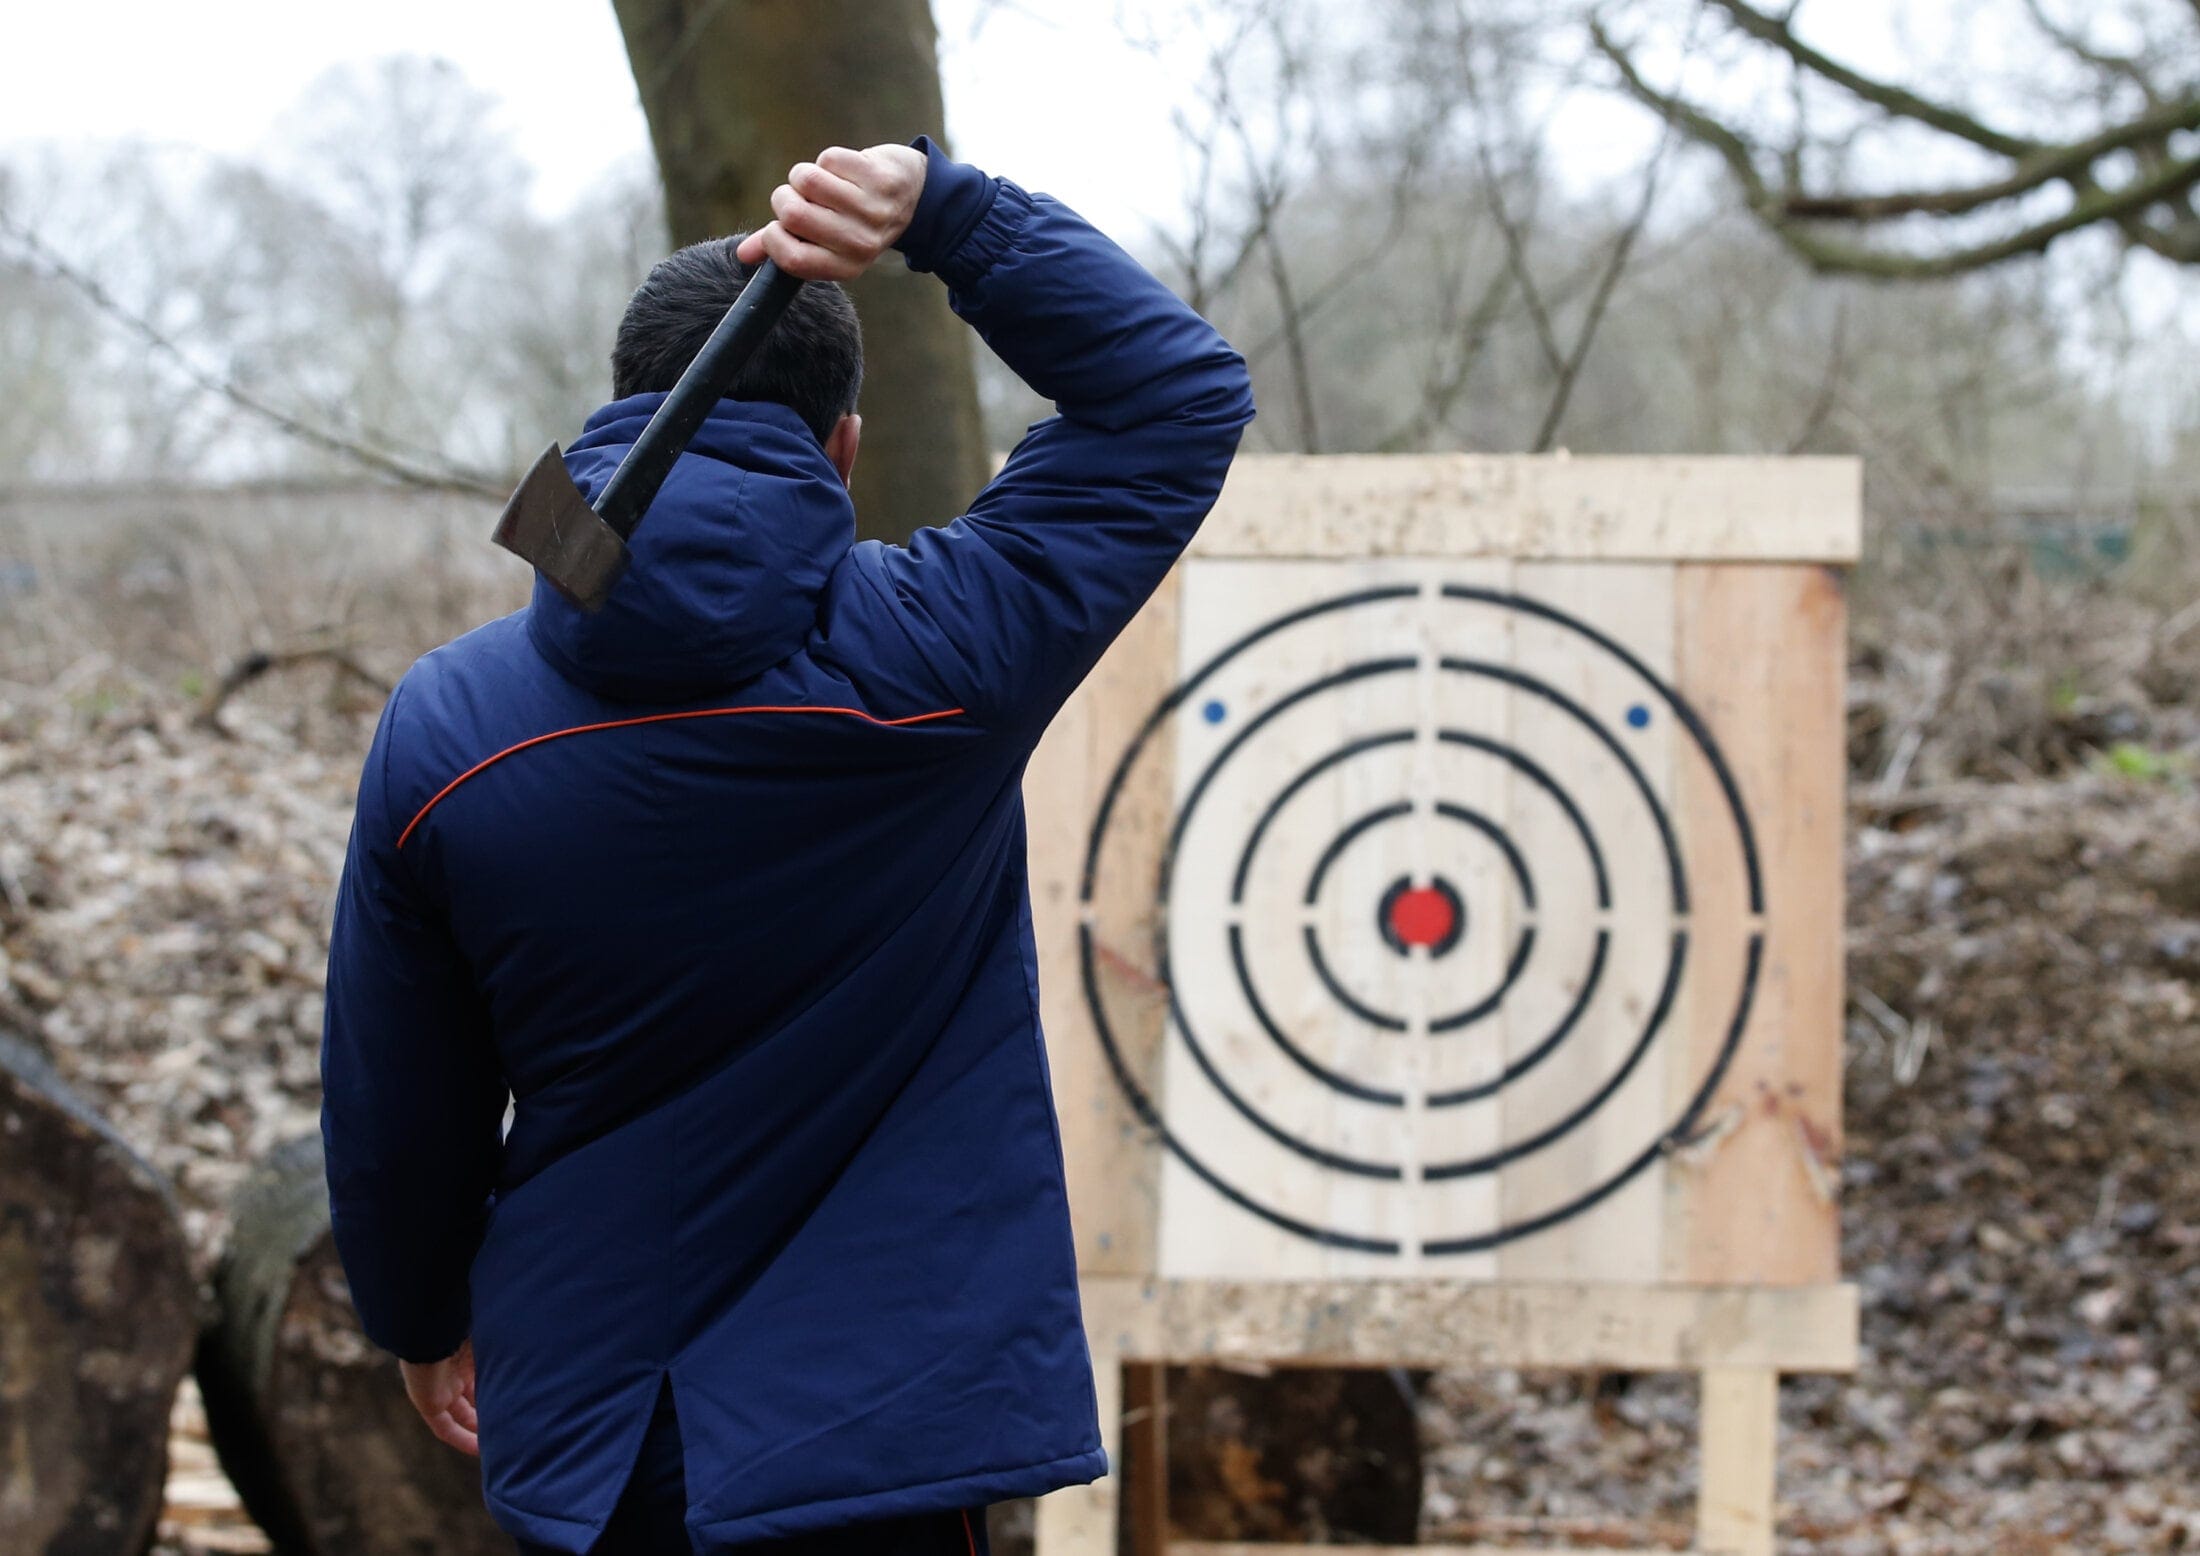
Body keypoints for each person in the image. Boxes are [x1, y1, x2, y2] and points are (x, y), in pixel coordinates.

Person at [318, 136, 1255, 1556]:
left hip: (597, 1429)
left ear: (621, 414)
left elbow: (399, 1096)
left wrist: (419, 1313)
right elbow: (1176, 398)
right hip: (880, 1438)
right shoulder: (943, 653)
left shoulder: (449, 728)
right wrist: (947, 211)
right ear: (844, 448)